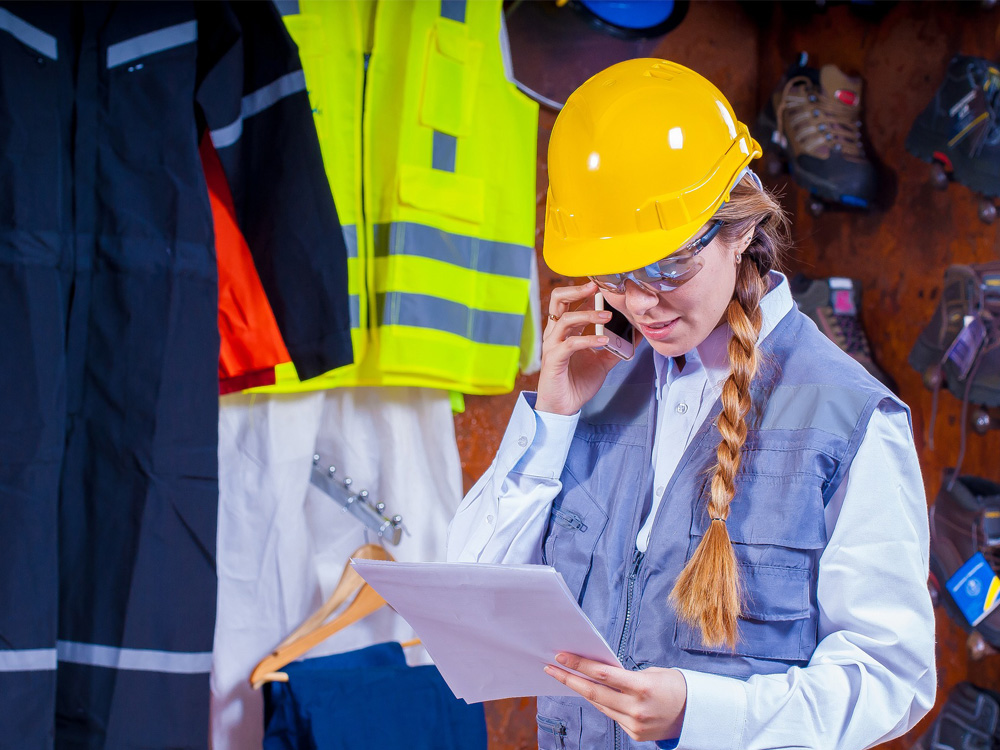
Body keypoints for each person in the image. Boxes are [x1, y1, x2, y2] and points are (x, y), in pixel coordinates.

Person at [447, 59, 935, 749]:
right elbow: (472, 603)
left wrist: (699, 714)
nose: (641, 302)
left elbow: (890, 677)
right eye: (615, 274)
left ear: (739, 231)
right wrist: (552, 418)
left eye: (668, 266)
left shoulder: (849, 420)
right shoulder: (592, 382)